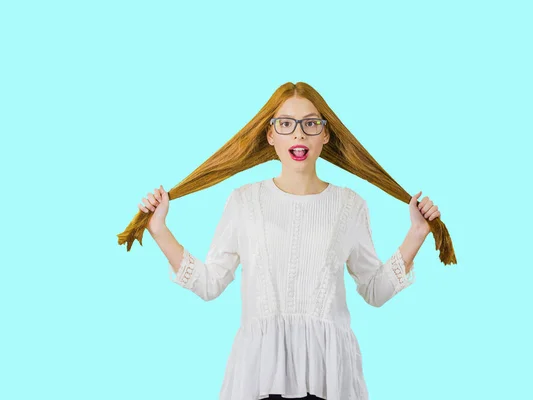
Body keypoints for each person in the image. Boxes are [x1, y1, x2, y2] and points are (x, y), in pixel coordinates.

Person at [137, 90, 442, 400]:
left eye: (311, 123)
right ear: (270, 135)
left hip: (329, 381)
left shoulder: (349, 205)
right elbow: (209, 284)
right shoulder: (244, 201)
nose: (298, 132)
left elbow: (375, 291)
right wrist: (159, 229)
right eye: (285, 123)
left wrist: (417, 233)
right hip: (258, 379)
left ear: (325, 134)